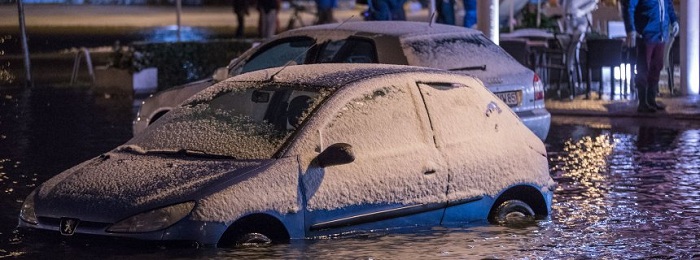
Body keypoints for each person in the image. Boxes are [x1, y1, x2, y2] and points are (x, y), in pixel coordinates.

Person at [621, 0, 679, 113]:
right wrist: (631, 30)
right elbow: (629, 8)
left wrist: (674, 21)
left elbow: (669, 7)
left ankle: (651, 100)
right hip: (646, 34)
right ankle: (643, 102)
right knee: (643, 68)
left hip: (660, 34)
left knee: (656, 67)